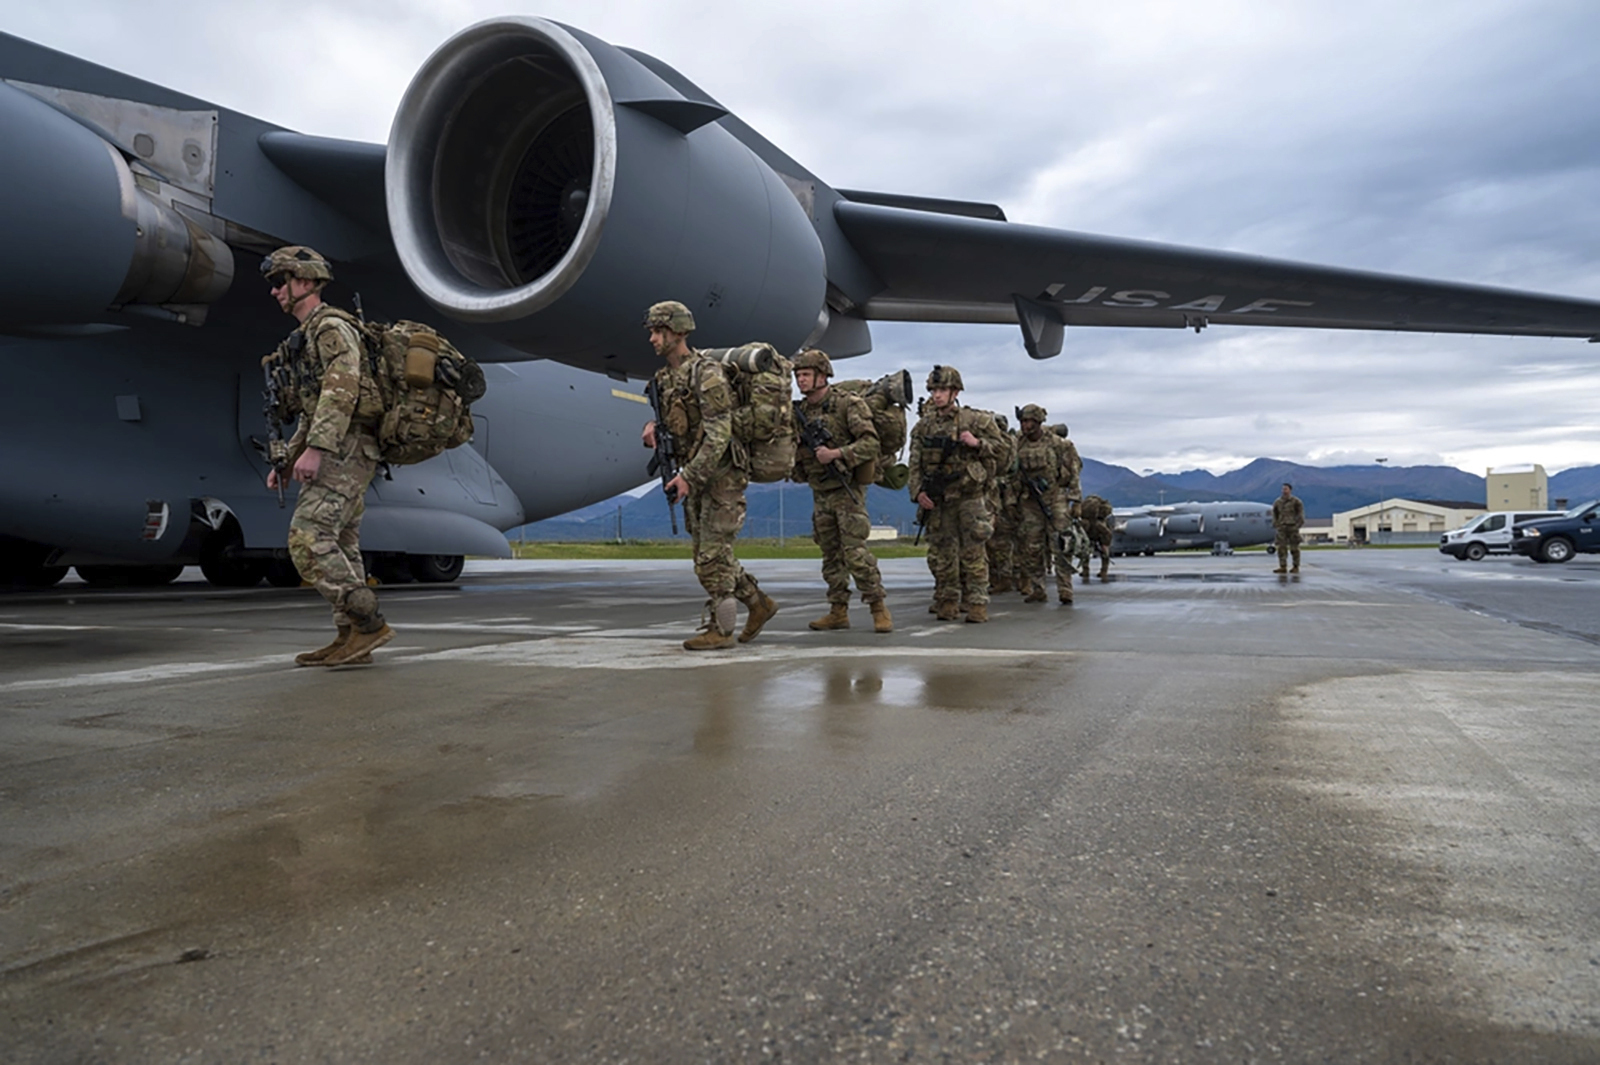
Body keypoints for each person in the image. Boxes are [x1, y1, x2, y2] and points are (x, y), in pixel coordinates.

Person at [261, 245, 393, 667]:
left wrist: (317, 450)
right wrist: (289, 458)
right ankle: (351, 636)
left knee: (307, 539)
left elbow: (342, 391)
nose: (275, 292)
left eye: (279, 282)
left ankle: (369, 623)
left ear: (303, 282)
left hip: (346, 447)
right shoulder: (308, 334)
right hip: (343, 446)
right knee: (342, 543)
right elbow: (313, 405)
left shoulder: (331, 327)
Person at [639, 301, 777, 649]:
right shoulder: (665, 378)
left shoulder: (707, 373)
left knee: (711, 558)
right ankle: (758, 603)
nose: (653, 339)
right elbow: (679, 421)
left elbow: (719, 432)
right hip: (693, 473)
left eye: (660, 331)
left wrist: (690, 476)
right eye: (652, 332)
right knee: (708, 554)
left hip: (721, 475)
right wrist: (653, 427)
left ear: (679, 332)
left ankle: (722, 631)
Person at [791, 350, 892, 633]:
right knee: (830, 555)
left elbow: (870, 444)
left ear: (822, 376)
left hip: (846, 491)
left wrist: (837, 453)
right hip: (819, 490)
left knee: (856, 554)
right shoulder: (799, 412)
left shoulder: (847, 405)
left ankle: (878, 608)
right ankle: (838, 611)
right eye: (798, 375)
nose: (801, 380)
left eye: (806, 374)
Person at [907, 366, 1005, 622]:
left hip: (969, 497)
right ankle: (948, 602)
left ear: (955, 392)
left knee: (973, 553)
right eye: (934, 390)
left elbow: (1004, 451)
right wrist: (918, 493)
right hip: (938, 500)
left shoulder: (976, 420)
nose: (937, 395)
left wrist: (977, 443)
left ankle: (977, 604)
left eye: (942, 390)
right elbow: (914, 464)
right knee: (944, 554)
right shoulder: (923, 426)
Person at [1014, 404, 1076, 604]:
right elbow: (1010, 473)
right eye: (1023, 421)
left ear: (1038, 422)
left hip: (1055, 496)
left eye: (1029, 421)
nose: (1025, 425)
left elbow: (1073, 470)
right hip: (1030, 501)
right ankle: (1038, 588)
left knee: (1061, 544)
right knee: (1031, 546)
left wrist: (1075, 500)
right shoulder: (1017, 445)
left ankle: (1065, 589)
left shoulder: (1058, 444)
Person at [1079, 494, 1115, 579]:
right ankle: (1104, 571)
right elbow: (1107, 533)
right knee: (1104, 553)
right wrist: (1107, 543)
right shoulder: (1101, 520)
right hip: (1100, 531)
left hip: (1088, 530)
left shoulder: (1085, 519)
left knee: (1085, 552)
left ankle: (1085, 570)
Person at [1272, 482, 1305, 573]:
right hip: (1282, 527)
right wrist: (1276, 524)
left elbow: (1300, 514)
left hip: (1292, 527)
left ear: (1290, 490)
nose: (1284, 491)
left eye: (1286, 489)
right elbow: (1275, 513)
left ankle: (1295, 566)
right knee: (1281, 548)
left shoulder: (1296, 501)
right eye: (1283, 489)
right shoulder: (1278, 502)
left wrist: (1298, 524)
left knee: (1294, 548)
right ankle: (1282, 566)